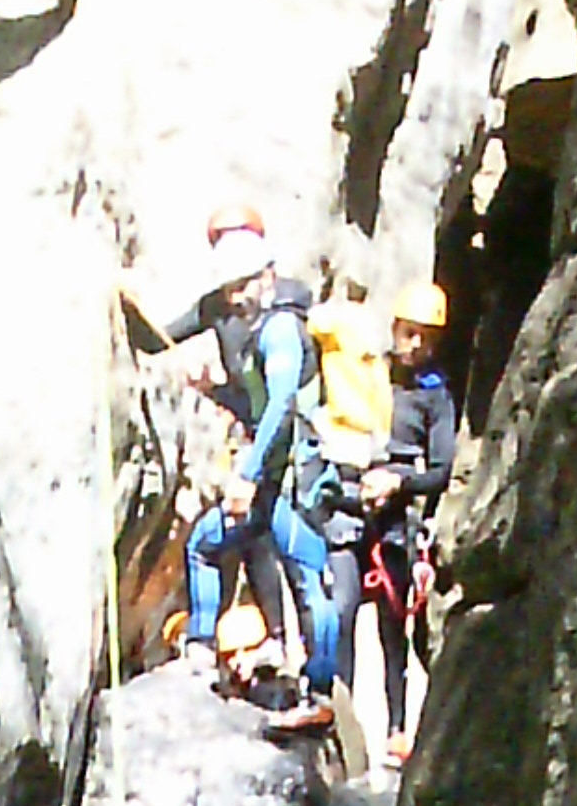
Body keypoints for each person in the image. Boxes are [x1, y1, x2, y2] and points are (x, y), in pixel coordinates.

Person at [165, 210, 339, 740]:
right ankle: (200, 646)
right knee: (206, 543)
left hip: (294, 479)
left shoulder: (282, 328)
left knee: (309, 576)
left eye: (242, 286)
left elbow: (282, 404)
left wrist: (245, 474)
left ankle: (320, 694)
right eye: (231, 288)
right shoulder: (255, 324)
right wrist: (215, 390)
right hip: (274, 481)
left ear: (265, 276)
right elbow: (256, 401)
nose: (235, 298)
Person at [328, 282, 457, 770]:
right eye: (409, 333)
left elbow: (441, 470)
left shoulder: (434, 397)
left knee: (390, 626)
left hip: (395, 520)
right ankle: (339, 721)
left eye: (425, 337)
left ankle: (399, 729)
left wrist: (399, 483)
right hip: (351, 501)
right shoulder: (372, 373)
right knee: (339, 609)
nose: (415, 345)